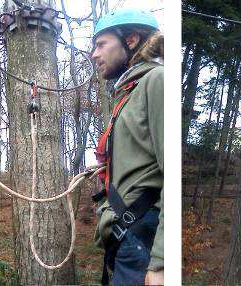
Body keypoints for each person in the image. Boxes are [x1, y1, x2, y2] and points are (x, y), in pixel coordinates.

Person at [89, 7, 163, 285]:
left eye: (101, 44)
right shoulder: (128, 93)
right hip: (127, 237)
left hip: (143, 239)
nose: (94, 54)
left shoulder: (156, 80)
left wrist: (161, 262)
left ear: (130, 40)